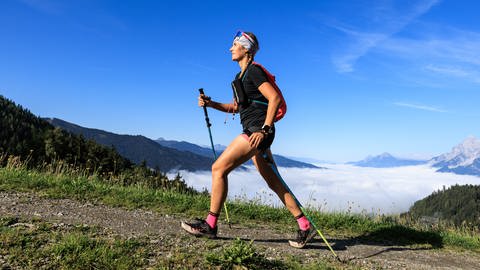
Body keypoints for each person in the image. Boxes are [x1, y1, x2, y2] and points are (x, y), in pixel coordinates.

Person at [181, 31, 316, 248]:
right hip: (256, 133)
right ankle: (305, 226)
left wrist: (264, 129)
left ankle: (210, 224)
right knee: (273, 180)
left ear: (246, 49)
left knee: (218, 169)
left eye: (235, 44)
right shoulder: (240, 78)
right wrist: (211, 103)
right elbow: (236, 107)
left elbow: (274, 99)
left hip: (257, 133)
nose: (230, 48)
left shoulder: (253, 71)